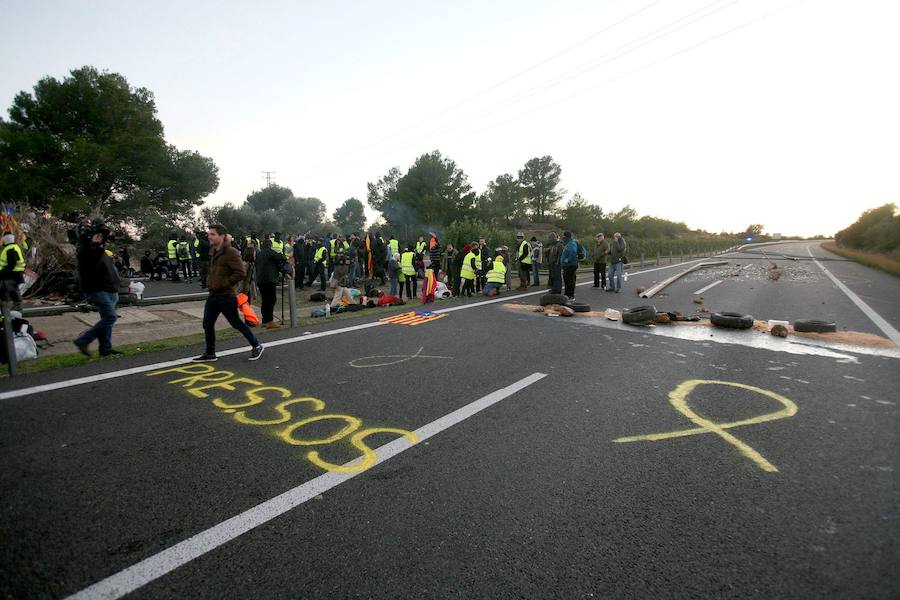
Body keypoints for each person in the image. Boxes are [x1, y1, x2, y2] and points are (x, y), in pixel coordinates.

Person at [193, 224, 263, 362]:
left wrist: (224, 284)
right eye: (209, 234)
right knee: (207, 324)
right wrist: (210, 282)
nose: (209, 236)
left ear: (222, 236)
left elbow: (240, 273)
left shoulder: (230, 252)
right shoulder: (214, 251)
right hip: (213, 295)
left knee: (236, 323)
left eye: (213, 234)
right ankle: (210, 353)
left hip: (226, 296)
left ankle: (257, 345)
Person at [73, 219, 121, 357]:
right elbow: (91, 264)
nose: (101, 238)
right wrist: (94, 243)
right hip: (96, 289)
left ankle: (105, 349)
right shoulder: (85, 250)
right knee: (110, 317)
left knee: (107, 320)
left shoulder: (100, 249)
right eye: (98, 235)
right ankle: (83, 340)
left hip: (109, 289)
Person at [256, 239, 286, 329]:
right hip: (269, 279)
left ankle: (265, 320)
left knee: (265, 301)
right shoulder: (270, 252)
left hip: (260, 280)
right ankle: (270, 321)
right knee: (271, 300)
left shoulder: (259, 254)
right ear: (270, 245)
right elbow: (282, 257)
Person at [0, 232, 26, 312]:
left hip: (11, 274)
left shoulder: (10, 249)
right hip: (14, 274)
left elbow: (12, 264)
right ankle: (9, 308)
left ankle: (15, 308)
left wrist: (2, 272)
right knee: (8, 291)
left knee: (11, 291)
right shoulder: (14, 247)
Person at [560, 231, 579, 299]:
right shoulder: (569, 243)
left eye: (563, 237)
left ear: (566, 237)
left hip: (570, 265)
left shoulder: (571, 244)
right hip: (568, 265)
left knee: (570, 280)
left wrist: (567, 260)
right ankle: (567, 294)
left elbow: (573, 252)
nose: (562, 238)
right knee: (567, 280)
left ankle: (570, 295)